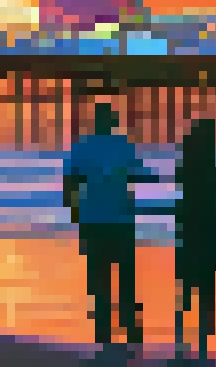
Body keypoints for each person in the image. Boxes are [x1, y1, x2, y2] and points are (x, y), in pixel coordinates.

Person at [63, 102, 152, 346]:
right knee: (126, 276)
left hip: (92, 220)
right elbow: (140, 175)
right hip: (121, 220)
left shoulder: (82, 147)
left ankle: (103, 331)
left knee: (99, 277)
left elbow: (69, 184)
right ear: (112, 123)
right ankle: (131, 329)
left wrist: (75, 216)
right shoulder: (124, 146)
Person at [172, 117, 216, 357]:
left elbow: (188, 201)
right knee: (204, 287)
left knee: (188, 285)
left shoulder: (187, 168)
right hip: (207, 233)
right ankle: (200, 342)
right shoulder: (211, 169)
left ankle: (182, 339)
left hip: (191, 231)